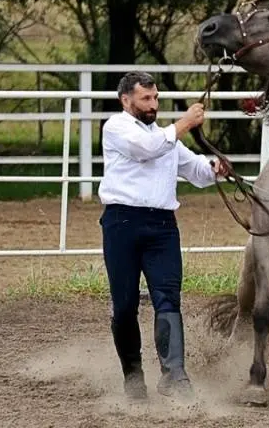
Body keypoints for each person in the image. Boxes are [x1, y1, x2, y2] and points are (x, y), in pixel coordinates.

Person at [97, 71, 228, 400]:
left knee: (168, 298)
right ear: (125, 100)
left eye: (155, 98)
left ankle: (175, 375)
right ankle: (133, 377)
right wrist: (184, 123)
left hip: (162, 228)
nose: (153, 104)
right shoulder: (117, 128)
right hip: (121, 224)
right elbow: (147, 150)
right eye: (146, 98)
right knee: (125, 305)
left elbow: (194, 170)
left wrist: (214, 168)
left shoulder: (165, 137)